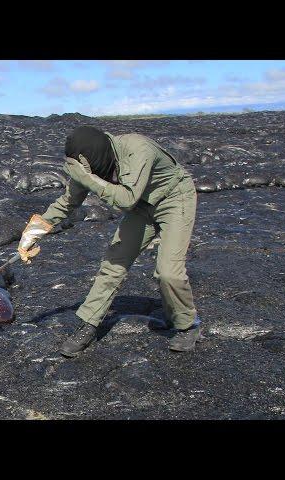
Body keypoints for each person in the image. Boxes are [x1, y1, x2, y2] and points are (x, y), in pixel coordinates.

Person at [17, 126, 201, 357]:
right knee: (113, 265)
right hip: (140, 209)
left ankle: (187, 325)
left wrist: (87, 177)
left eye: (82, 167)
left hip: (174, 199)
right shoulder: (85, 168)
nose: (81, 172)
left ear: (91, 158)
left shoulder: (137, 148)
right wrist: (32, 234)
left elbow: (126, 199)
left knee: (168, 273)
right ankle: (89, 324)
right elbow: (67, 202)